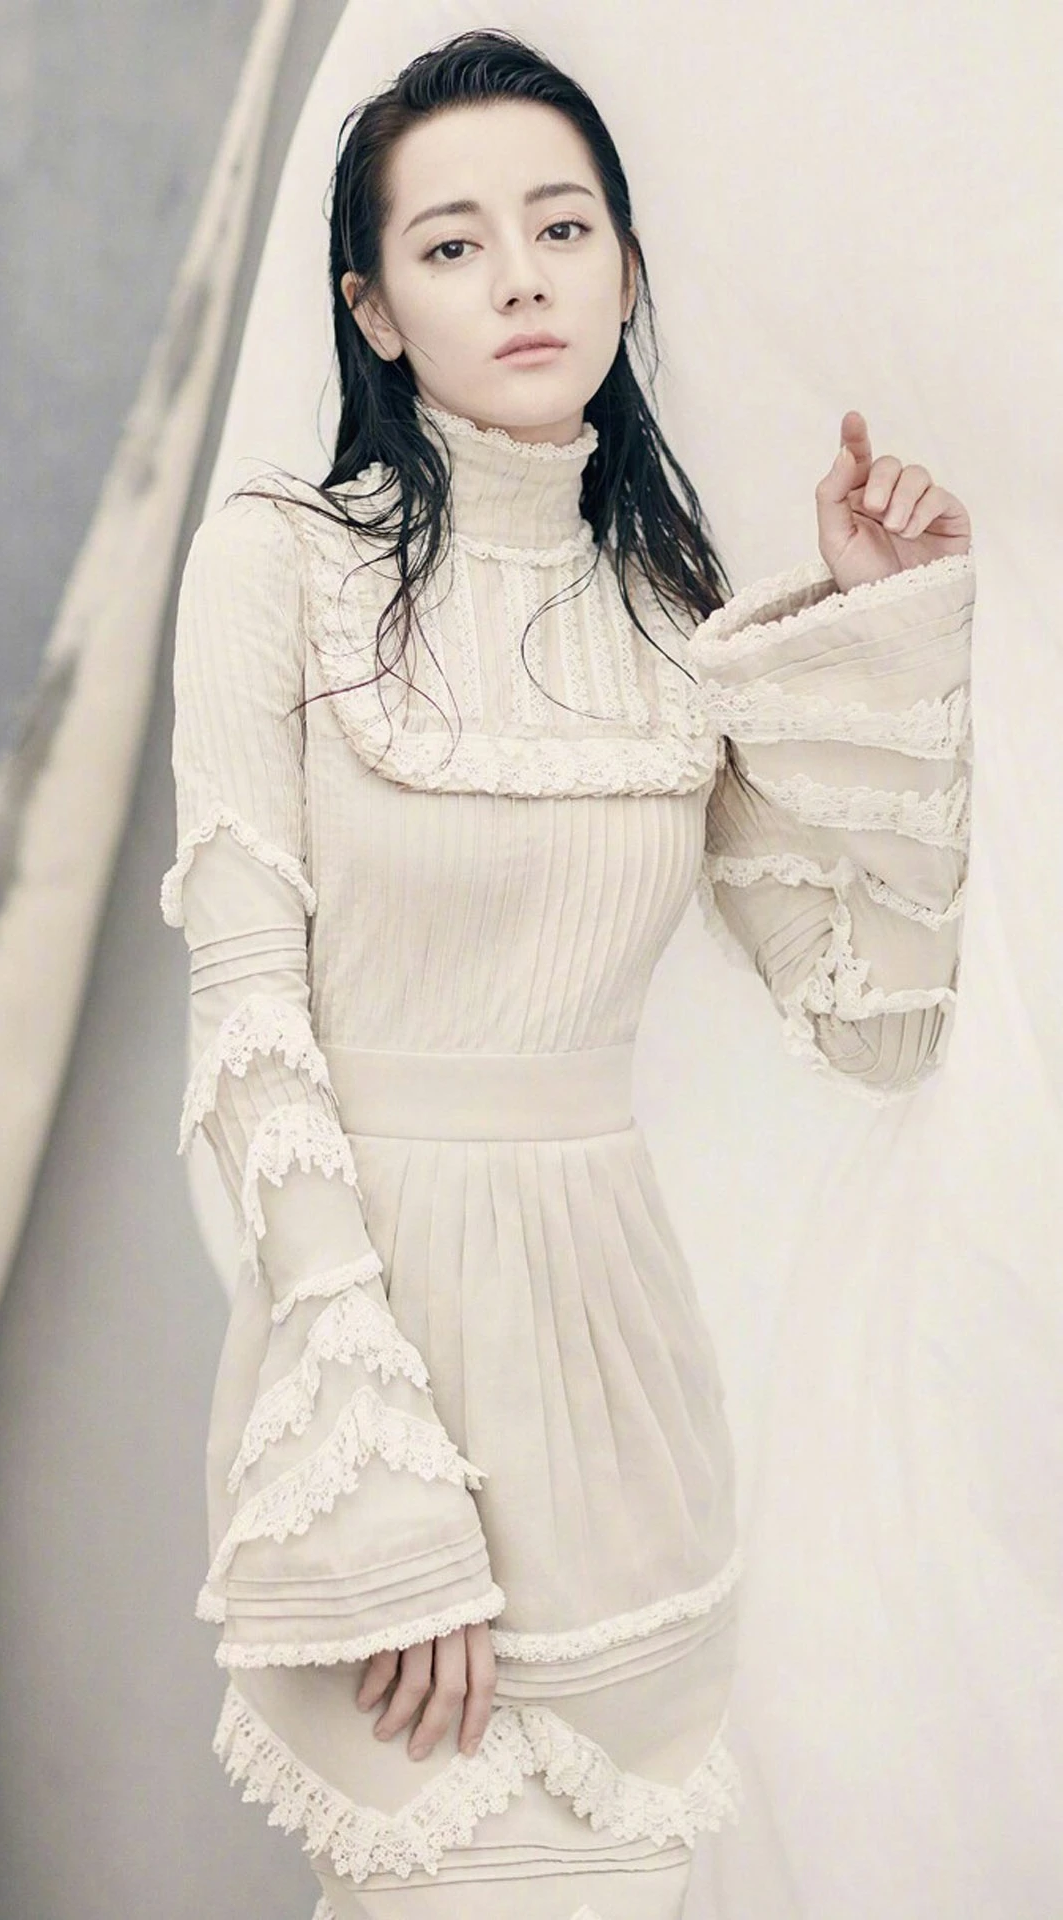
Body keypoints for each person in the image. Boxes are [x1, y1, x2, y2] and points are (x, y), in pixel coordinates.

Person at [159, 27, 974, 1919]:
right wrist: (384, 1490)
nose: (519, 277)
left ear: (623, 266)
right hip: (373, 1372)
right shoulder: (275, 568)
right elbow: (250, 1029)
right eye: (450, 246)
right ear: (373, 312)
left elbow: (877, 1019)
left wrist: (877, 637)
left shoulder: (675, 615)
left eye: (561, 225)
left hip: (623, 1404)